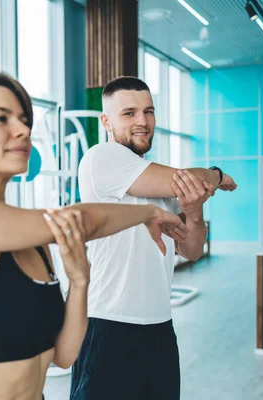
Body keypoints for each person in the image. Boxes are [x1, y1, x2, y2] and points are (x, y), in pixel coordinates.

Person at [0, 72, 190, 400]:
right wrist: (149, 213)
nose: (22, 129)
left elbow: (62, 355)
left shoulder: (34, 241)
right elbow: (81, 220)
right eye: (1, 118)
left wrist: (80, 281)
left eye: (24, 118)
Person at [70, 76, 237, 400]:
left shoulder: (156, 180)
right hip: (108, 323)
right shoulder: (102, 157)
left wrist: (194, 211)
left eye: (148, 111)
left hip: (160, 326)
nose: (142, 122)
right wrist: (216, 175)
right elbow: (190, 179)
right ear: (106, 121)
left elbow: (190, 250)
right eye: (129, 113)